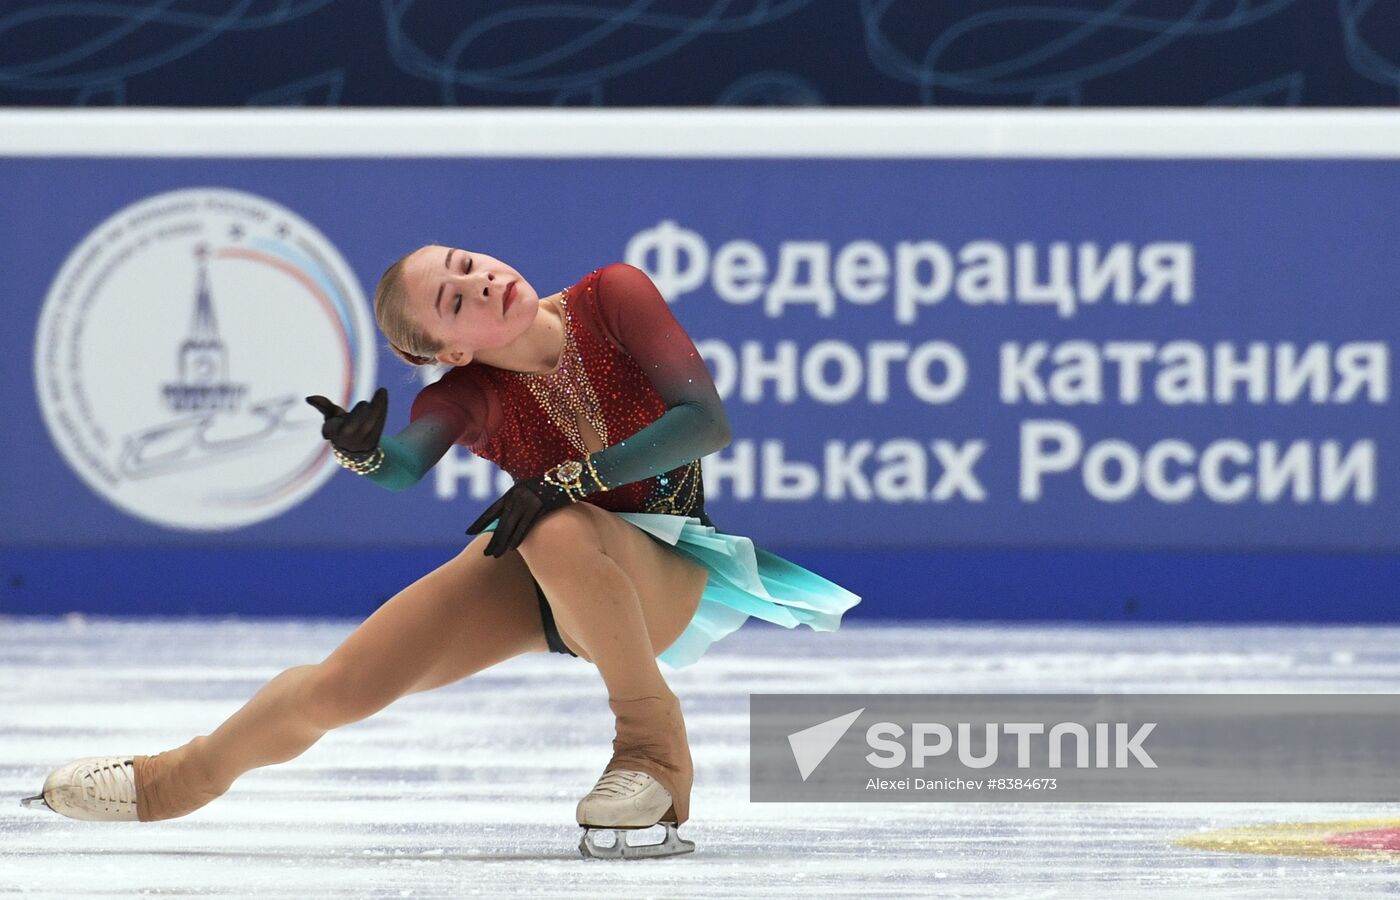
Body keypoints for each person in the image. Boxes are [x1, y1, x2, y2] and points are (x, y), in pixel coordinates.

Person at [24, 248, 862, 860]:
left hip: (666, 570)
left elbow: (704, 421)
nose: (481, 281)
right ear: (451, 353)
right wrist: (363, 454)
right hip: (547, 559)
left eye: (468, 265)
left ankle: (649, 747)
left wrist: (570, 477)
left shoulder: (614, 295)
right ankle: (179, 780)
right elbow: (403, 467)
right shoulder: (467, 394)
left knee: (549, 520)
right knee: (340, 686)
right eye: (455, 302)